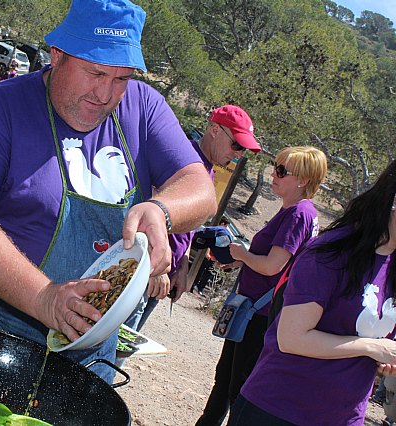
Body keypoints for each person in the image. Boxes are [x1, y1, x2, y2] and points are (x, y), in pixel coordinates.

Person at [0, 0, 217, 384]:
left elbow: (200, 186)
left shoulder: (144, 106)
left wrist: (162, 210)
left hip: (91, 348)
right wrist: (46, 298)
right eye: (95, 72)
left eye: (121, 79)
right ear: (58, 56)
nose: (106, 93)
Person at [228, 160, 396, 426]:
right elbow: (292, 338)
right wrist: (373, 346)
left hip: (343, 416)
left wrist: (383, 358)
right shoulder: (331, 253)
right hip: (278, 409)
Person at [196, 145, 328, 426]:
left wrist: (241, 253)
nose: (274, 174)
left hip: (260, 315)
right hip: (255, 310)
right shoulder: (297, 212)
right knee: (226, 382)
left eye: (282, 171)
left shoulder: (297, 214)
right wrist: (242, 259)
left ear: (302, 180)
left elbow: (272, 266)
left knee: (237, 389)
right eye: (276, 167)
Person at [125, 105, 261, 333]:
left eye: (243, 150)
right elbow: (150, 212)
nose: (238, 154)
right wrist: (155, 268)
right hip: (146, 269)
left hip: (164, 272)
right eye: (236, 145)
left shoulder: (205, 170)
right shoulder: (180, 160)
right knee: (113, 347)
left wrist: (182, 265)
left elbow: (185, 223)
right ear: (215, 131)